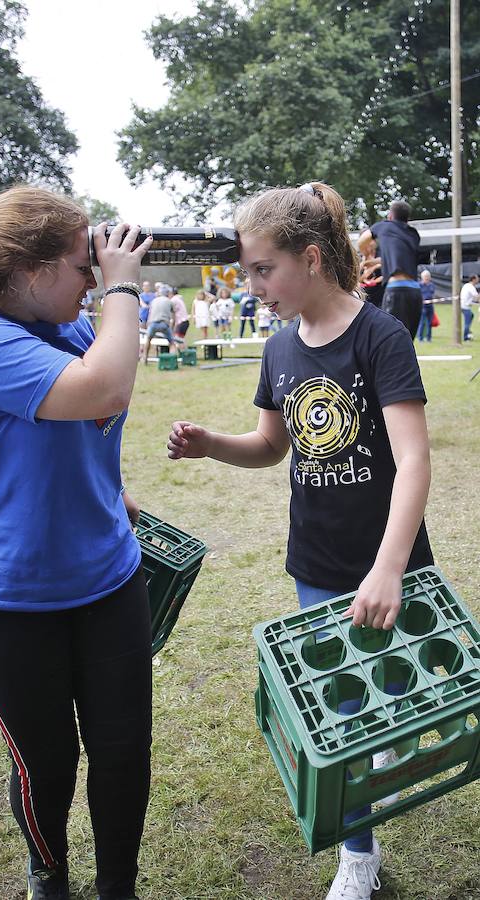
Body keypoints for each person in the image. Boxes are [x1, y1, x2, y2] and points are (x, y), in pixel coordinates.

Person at [167, 181, 433, 900]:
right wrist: (210, 444)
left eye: (262, 270)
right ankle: (359, 856)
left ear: (310, 258)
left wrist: (387, 568)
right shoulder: (279, 347)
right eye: (247, 272)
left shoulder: (381, 336)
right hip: (314, 562)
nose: (252, 287)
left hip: (390, 561)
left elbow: (413, 460)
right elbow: (269, 446)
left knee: (392, 689)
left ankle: (398, 724)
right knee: (342, 709)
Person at [0, 185, 154, 900]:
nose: (93, 277)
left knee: (121, 755)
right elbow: (102, 390)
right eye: (84, 266)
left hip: (107, 581)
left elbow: (92, 416)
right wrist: (126, 289)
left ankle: (118, 888)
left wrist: (106, 491)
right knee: (46, 766)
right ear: (30, 271)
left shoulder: (68, 325)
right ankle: (50, 874)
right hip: (6, 599)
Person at [358, 200, 422, 340]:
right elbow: (394, 257)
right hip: (415, 292)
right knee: (408, 343)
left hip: (396, 290)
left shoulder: (384, 226)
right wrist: (371, 262)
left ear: (390, 216)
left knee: (388, 340)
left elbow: (362, 240)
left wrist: (365, 254)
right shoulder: (413, 234)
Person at [142, 284, 178, 364]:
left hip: (152, 323)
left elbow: (150, 313)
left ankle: (145, 358)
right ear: (167, 293)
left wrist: (148, 325)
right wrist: (172, 328)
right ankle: (173, 360)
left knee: (148, 340)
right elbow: (174, 317)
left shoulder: (154, 301)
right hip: (164, 323)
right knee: (171, 343)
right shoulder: (169, 301)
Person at [358, 236, 384, 309]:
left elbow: (387, 270)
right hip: (366, 295)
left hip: (381, 293)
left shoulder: (381, 254)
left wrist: (374, 267)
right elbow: (357, 279)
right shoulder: (360, 258)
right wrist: (366, 277)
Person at [417, 270, 436, 342]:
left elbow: (432, 294)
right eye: (425, 277)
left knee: (430, 323)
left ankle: (429, 338)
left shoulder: (431, 285)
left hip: (430, 306)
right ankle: (420, 338)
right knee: (422, 322)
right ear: (422, 277)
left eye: (428, 276)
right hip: (422, 307)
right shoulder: (419, 285)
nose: (427, 278)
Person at [460, 273, 479, 341]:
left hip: (463, 305)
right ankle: (466, 337)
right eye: (477, 278)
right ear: (473, 279)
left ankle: (468, 332)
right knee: (467, 322)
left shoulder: (466, 285)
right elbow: (477, 297)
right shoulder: (471, 287)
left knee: (471, 315)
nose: (478, 279)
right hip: (465, 306)